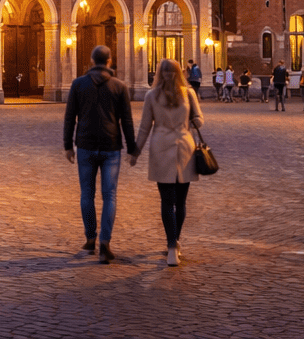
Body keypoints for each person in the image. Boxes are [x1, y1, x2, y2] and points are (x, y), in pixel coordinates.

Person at [63, 45, 139, 264]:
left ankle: (90, 239)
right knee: (110, 196)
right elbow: (127, 120)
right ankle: (105, 242)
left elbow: (70, 117)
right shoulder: (119, 86)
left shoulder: (78, 84)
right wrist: (132, 147)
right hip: (111, 146)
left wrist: (68, 145)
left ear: (91, 60)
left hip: (85, 144)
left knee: (87, 194)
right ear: (109, 61)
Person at [132, 58, 204, 267]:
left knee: (167, 201)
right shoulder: (188, 93)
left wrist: (136, 151)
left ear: (158, 74)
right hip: (184, 148)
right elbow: (199, 120)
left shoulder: (151, 95)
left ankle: (171, 245)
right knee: (180, 201)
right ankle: (176, 242)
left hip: (161, 148)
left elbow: (145, 127)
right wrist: (188, 119)